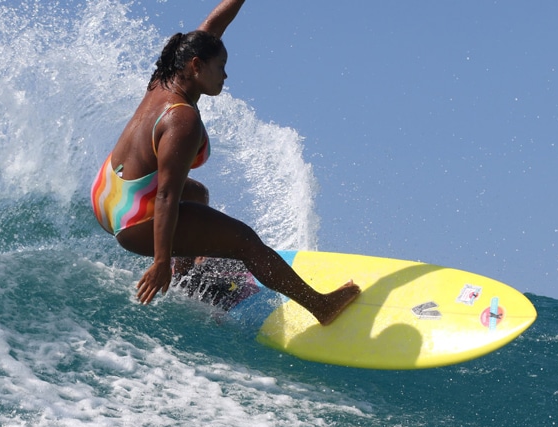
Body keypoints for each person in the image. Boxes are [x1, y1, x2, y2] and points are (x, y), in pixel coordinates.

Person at [90, 0, 360, 325]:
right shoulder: (182, 121)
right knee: (245, 242)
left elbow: (211, 28)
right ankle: (322, 307)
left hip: (108, 192)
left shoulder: (163, 79)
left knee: (198, 195)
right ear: (196, 66)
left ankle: (185, 277)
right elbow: (166, 197)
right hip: (134, 221)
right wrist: (161, 260)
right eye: (221, 66)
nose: (226, 74)